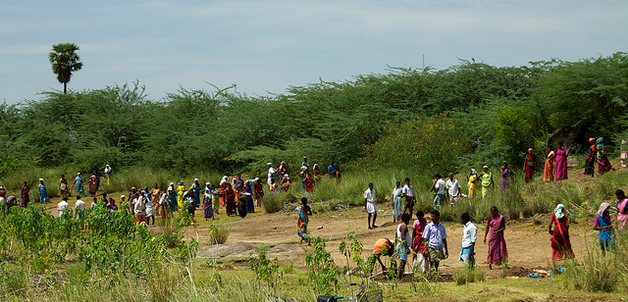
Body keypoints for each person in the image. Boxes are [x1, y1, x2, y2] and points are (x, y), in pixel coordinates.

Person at [396, 213, 412, 279]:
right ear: (407, 220)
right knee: (402, 263)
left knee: (403, 262)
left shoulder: (399, 225)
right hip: (402, 247)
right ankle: (400, 276)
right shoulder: (403, 227)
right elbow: (403, 237)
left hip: (400, 245)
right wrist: (407, 248)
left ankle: (401, 275)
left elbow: (396, 236)